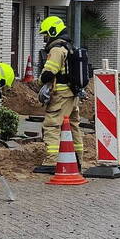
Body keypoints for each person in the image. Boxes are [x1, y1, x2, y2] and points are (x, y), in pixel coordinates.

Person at [34, 16, 83, 173]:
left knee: (52, 126)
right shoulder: (69, 47)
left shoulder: (56, 50)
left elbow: (49, 73)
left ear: (53, 32)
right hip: (72, 94)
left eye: (46, 34)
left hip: (60, 96)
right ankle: (77, 159)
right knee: (73, 126)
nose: (45, 38)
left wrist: (39, 82)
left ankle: (51, 162)